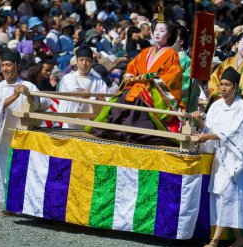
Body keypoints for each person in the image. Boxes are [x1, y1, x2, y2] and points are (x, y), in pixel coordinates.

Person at [87, 10, 184, 146]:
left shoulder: (172, 54)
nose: (156, 33)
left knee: (139, 101)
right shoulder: (145, 51)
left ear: (168, 35)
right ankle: (116, 130)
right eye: (155, 30)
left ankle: (136, 133)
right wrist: (129, 75)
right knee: (122, 98)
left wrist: (148, 78)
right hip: (136, 87)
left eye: (161, 31)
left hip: (153, 91)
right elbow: (132, 66)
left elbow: (172, 75)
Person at [192, 67, 243, 247]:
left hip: (237, 159)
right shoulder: (215, 105)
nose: (223, 88)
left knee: (229, 196)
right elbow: (210, 130)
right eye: (221, 84)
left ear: (236, 87)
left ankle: (215, 241)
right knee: (223, 199)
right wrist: (200, 123)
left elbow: (237, 133)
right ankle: (239, 240)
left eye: (227, 85)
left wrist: (209, 136)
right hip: (220, 159)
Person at [0, 49, 49, 210]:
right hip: (2, 136)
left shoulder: (28, 85)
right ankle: (6, 205)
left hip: (21, 135)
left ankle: (19, 206)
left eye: (8, 65)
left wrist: (30, 95)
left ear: (16, 66)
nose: (5, 69)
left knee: (19, 170)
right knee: (1, 171)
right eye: (3, 65)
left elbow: (44, 104)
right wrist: (15, 96)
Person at [57, 45, 108, 129]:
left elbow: (106, 97)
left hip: (91, 122)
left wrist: (102, 100)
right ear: (77, 61)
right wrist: (83, 93)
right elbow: (76, 91)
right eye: (81, 60)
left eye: (88, 60)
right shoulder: (69, 77)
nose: (84, 63)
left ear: (92, 62)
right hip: (70, 122)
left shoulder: (99, 81)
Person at [173, 23, 199, 112]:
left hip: (176, 107)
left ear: (181, 41)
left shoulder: (187, 61)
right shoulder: (163, 57)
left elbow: (187, 87)